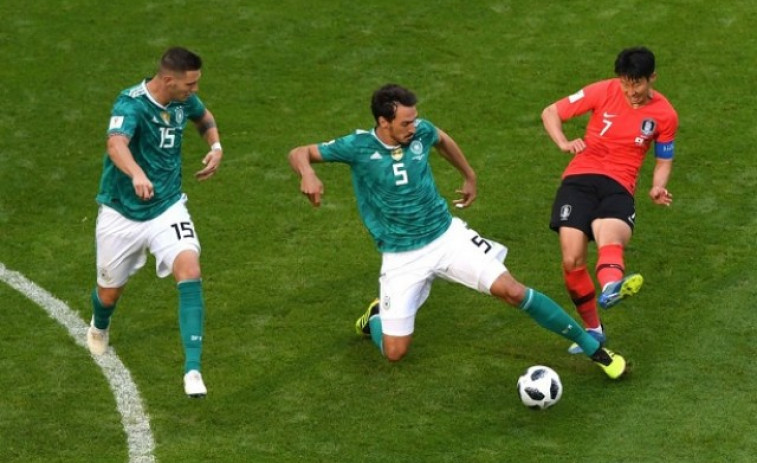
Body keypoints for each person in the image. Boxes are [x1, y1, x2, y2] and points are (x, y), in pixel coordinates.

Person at [289, 83, 626, 379]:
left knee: (512, 291)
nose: (414, 126)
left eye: (415, 118)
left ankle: (595, 349)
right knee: (394, 353)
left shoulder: (420, 131)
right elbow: (299, 152)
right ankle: (377, 317)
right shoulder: (357, 147)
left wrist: (469, 174)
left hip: (447, 237)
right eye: (405, 122)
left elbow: (442, 140)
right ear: (383, 122)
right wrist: (308, 174)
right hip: (401, 255)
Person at [87, 47, 224, 398]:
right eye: (189, 84)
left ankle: (192, 370)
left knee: (190, 269)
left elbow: (203, 117)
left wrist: (216, 145)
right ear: (167, 80)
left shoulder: (183, 101)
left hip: (167, 207)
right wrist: (135, 173)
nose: (194, 90)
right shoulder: (131, 104)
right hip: (122, 214)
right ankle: (100, 325)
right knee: (109, 292)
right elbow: (116, 144)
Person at [541, 46, 678, 354]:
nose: (631, 91)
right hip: (579, 180)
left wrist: (657, 186)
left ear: (651, 78)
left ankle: (611, 287)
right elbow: (551, 112)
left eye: (637, 84)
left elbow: (664, 159)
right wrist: (563, 142)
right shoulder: (603, 90)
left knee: (608, 231)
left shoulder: (665, 115)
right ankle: (593, 329)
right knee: (571, 259)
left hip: (619, 185)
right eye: (626, 83)